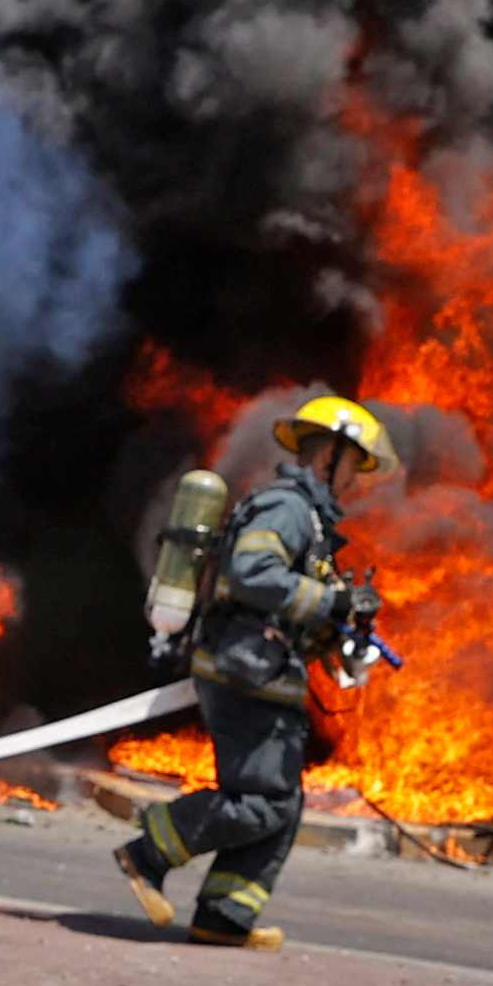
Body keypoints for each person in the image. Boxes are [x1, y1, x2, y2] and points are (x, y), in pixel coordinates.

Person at [115, 390, 391, 951]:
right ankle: (149, 851)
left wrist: (344, 626)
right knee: (261, 800)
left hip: (267, 671)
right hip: (244, 671)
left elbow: (291, 605)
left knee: (283, 806)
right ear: (327, 457)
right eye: (353, 467)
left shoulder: (311, 523)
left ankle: (225, 916)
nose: (356, 482)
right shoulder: (287, 508)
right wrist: (329, 602)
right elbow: (252, 573)